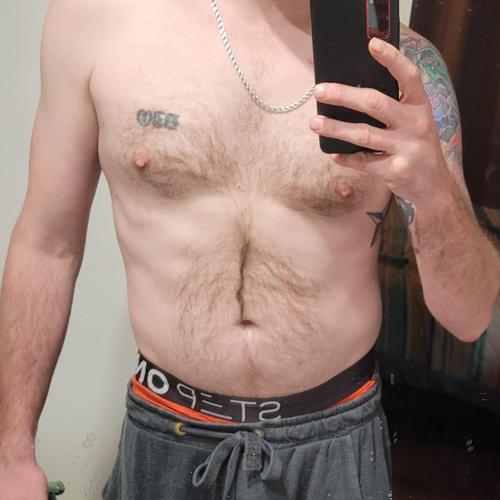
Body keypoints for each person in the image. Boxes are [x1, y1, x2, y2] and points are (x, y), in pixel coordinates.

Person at [1, 0, 499, 499]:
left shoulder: (405, 69)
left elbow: (469, 316)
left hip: (333, 442)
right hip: (165, 430)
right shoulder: (97, 20)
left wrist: (435, 191)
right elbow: (47, 246)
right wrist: (11, 453)